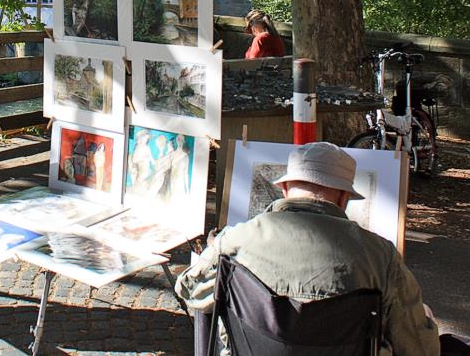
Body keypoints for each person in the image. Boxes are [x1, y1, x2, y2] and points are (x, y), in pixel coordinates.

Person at [176, 142, 441, 355]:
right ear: (343, 198)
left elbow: (188, 290)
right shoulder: (380, 256)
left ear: (284, 188)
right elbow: (419, 348)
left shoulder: (235, 241)